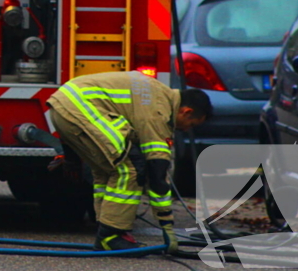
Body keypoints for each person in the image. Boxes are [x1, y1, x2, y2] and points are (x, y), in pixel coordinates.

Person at [46, 71, 212, 252]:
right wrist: (166, 224)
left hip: (61, 106)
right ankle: (111, 235)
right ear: (186, 111)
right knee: (131, 169)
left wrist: (71, 156)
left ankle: (105, 231)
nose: (187, 129)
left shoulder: (158, 94)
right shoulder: (159, 111)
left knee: (108, 171)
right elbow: (157, 171)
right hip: (79, 108)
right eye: (192, 124)